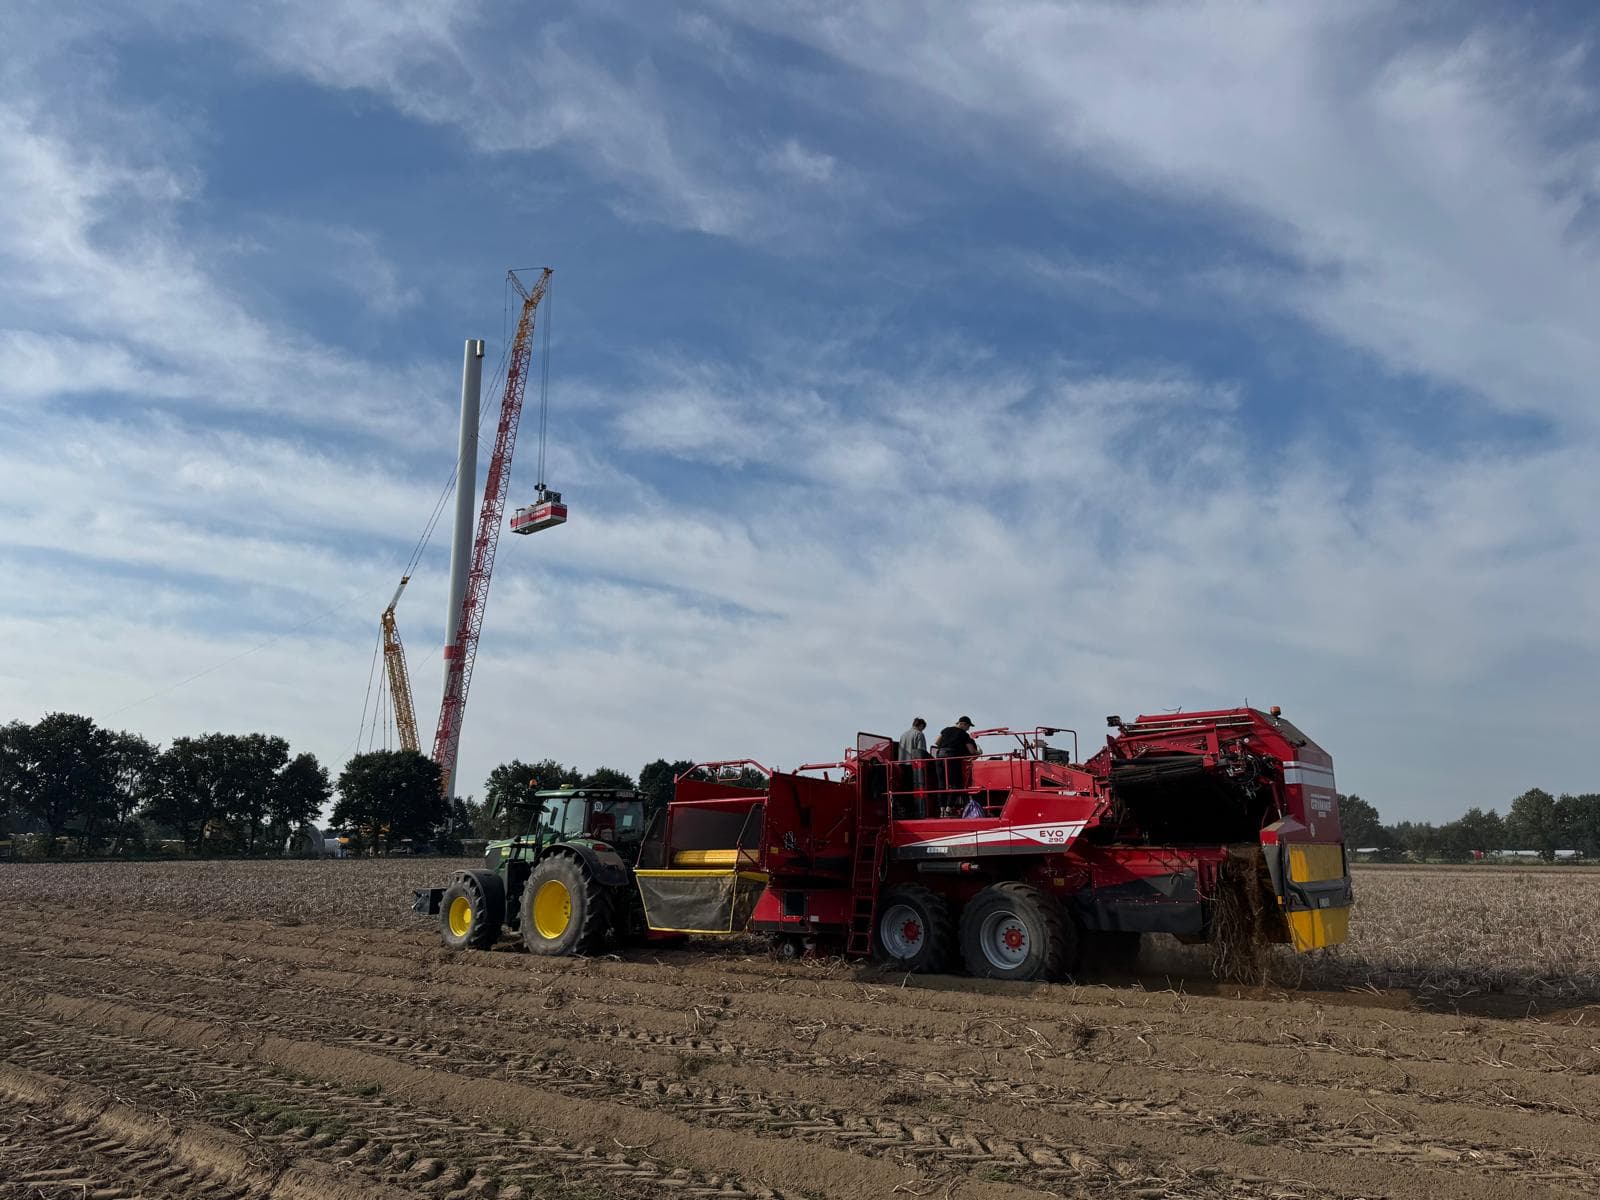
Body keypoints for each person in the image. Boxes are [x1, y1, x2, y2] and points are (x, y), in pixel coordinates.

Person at [934, 716, 980, 817]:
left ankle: (941, 809)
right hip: (952, 757)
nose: (968, 729)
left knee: (941, 784)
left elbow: (937, 742)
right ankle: (948, 809)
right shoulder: (964, 734)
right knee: (956, 784)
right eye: (968, 726)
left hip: (940, 757)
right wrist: (979, 752)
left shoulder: (946, 730)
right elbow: (971, 751)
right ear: (963, 724)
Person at [897, 718, 929, 817]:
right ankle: (917, 810)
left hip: (902, 763)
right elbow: (921, 751)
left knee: (905, 788)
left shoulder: (903, 735)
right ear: (921, 726)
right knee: (916, 788)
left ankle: (905, 809)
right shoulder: (919, 734)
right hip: (914, 765)